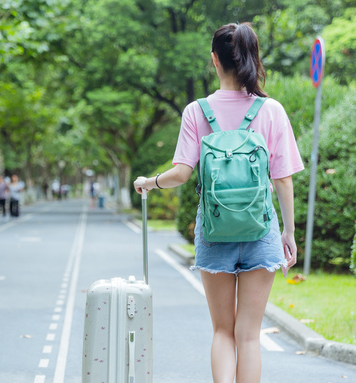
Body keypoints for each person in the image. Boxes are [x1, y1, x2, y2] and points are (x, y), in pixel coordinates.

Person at [133, 23, 301, 383]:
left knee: (223, 332)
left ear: (215, 61)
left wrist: (148, 183)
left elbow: (180, 174)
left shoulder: (197, 111)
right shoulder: (271, 110)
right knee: (249, 336)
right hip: (260, 230)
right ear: (253, 59)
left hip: (214, 230)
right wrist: (287, 232)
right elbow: (283, 179)